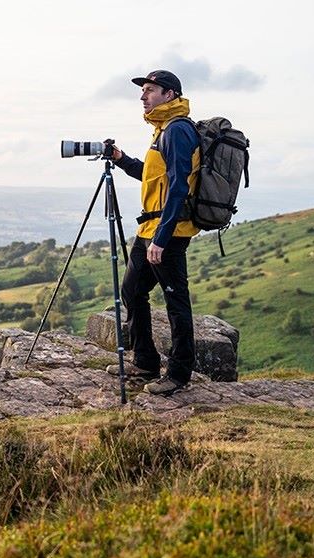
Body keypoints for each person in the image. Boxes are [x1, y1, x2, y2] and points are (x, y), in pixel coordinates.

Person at [106, 70, 199, 396]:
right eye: (143, 91)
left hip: (167, 232)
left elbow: (178, 187)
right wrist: (121, 160)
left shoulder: (178, 130)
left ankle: (178, 373)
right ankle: (145, 361)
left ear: (169, 94)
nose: (143, 96)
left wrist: (161, 237)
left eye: (150, 90)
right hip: (150, 228)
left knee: (176, 302)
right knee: (132, 290)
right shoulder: (162, 130)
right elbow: (151, 177)